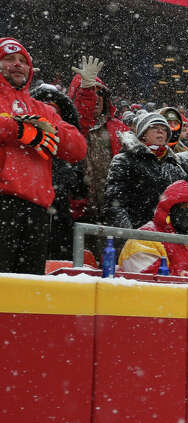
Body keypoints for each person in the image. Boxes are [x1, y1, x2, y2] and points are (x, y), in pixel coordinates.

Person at [0, 38, 87, 274]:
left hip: (36, 210)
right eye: (9, 59)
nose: (17, 65)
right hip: (4, 203)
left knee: (27, 291)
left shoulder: (42, 109)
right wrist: (17, 129)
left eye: (22, 61)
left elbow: (78, 148)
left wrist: (47, 128)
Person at [66, 55, 127, 232]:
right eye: (91, 91)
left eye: (101, 92)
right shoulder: (67, 127)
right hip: (76, 215)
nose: (97, 97)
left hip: (112, 216)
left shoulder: (119, 129)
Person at [29, 83, 84, 262]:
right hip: (27, 213)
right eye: (43, 107)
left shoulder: (66, 147)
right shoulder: (24, 140)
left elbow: (79, 183)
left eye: (53, 109)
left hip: (61, 217)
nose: (48, 113)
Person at [118, 180, 188, 277]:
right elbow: (146, 277)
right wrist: (184, 275)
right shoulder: (146, 237)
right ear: (168, 211)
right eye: (182, 208)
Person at [104, 112, 186, 230]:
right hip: (137, 235)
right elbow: (115, 205)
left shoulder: (175, 164)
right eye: (154, 127)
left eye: (164, 129)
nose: (160, 131)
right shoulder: (124, 160)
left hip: (167, 238)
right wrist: (130, 236)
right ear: (143, 134)